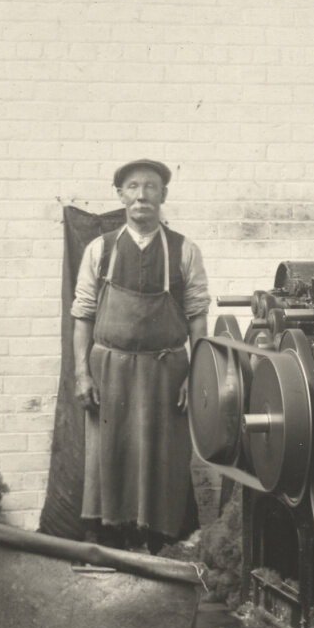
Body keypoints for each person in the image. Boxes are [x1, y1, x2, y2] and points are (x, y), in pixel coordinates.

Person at [71, 158, 209, 553]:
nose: (142, 195)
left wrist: (194, 374)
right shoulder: (100, 249)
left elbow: (199, 318)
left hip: (166, 372)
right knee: (107, 458)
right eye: (133, 187)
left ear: (163, 195)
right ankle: (108, 543)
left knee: (164, 457)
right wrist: (83, 374)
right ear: (120, 195)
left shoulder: (185, 250)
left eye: (151, 187)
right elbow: (82, 315)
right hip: (108, 371)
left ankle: (161, 543)